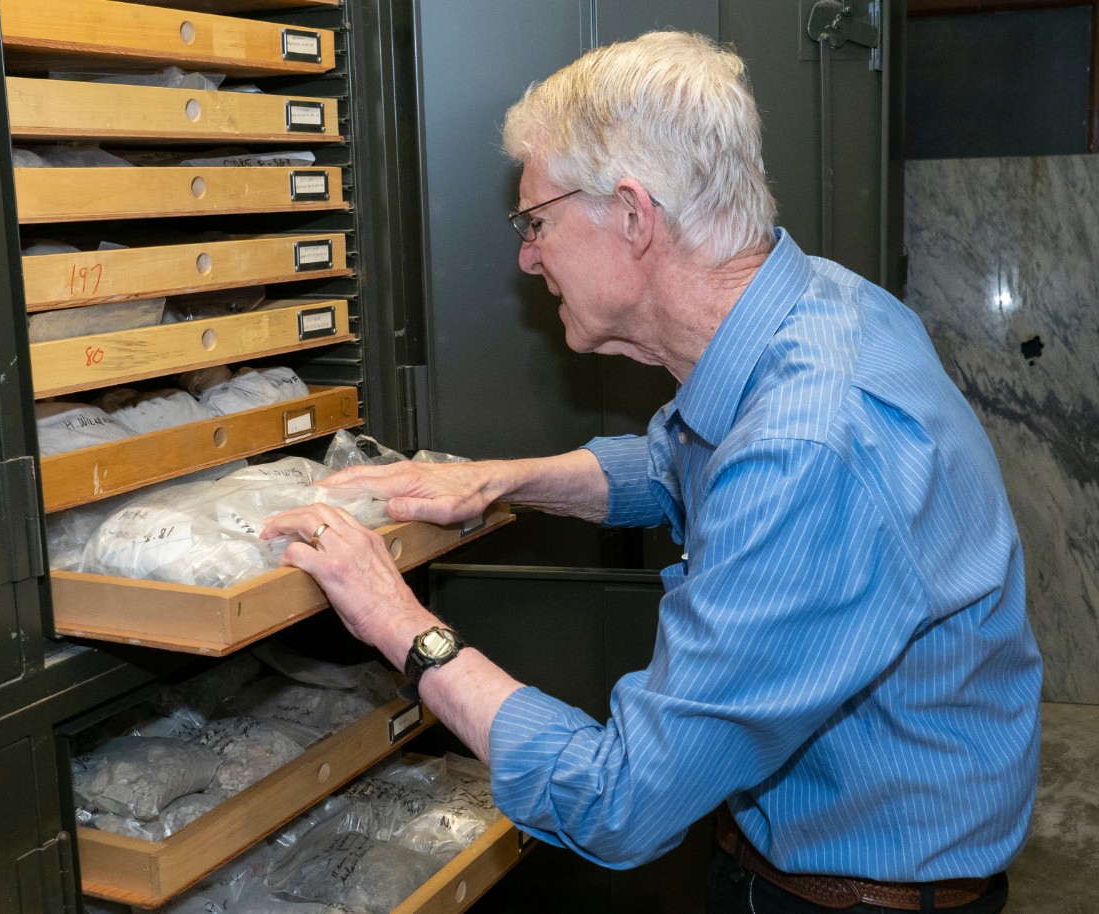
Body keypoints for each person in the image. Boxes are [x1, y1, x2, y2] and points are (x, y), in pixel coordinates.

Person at [261, 30, 1042, 914]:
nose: (526, 256)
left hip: (846, 899)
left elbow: (619, 801)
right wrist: (499, 479)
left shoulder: (809, 445)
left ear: (632, 215)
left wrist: (398, 621)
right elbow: (680, 462)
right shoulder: (819, 305)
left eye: (536, 221)